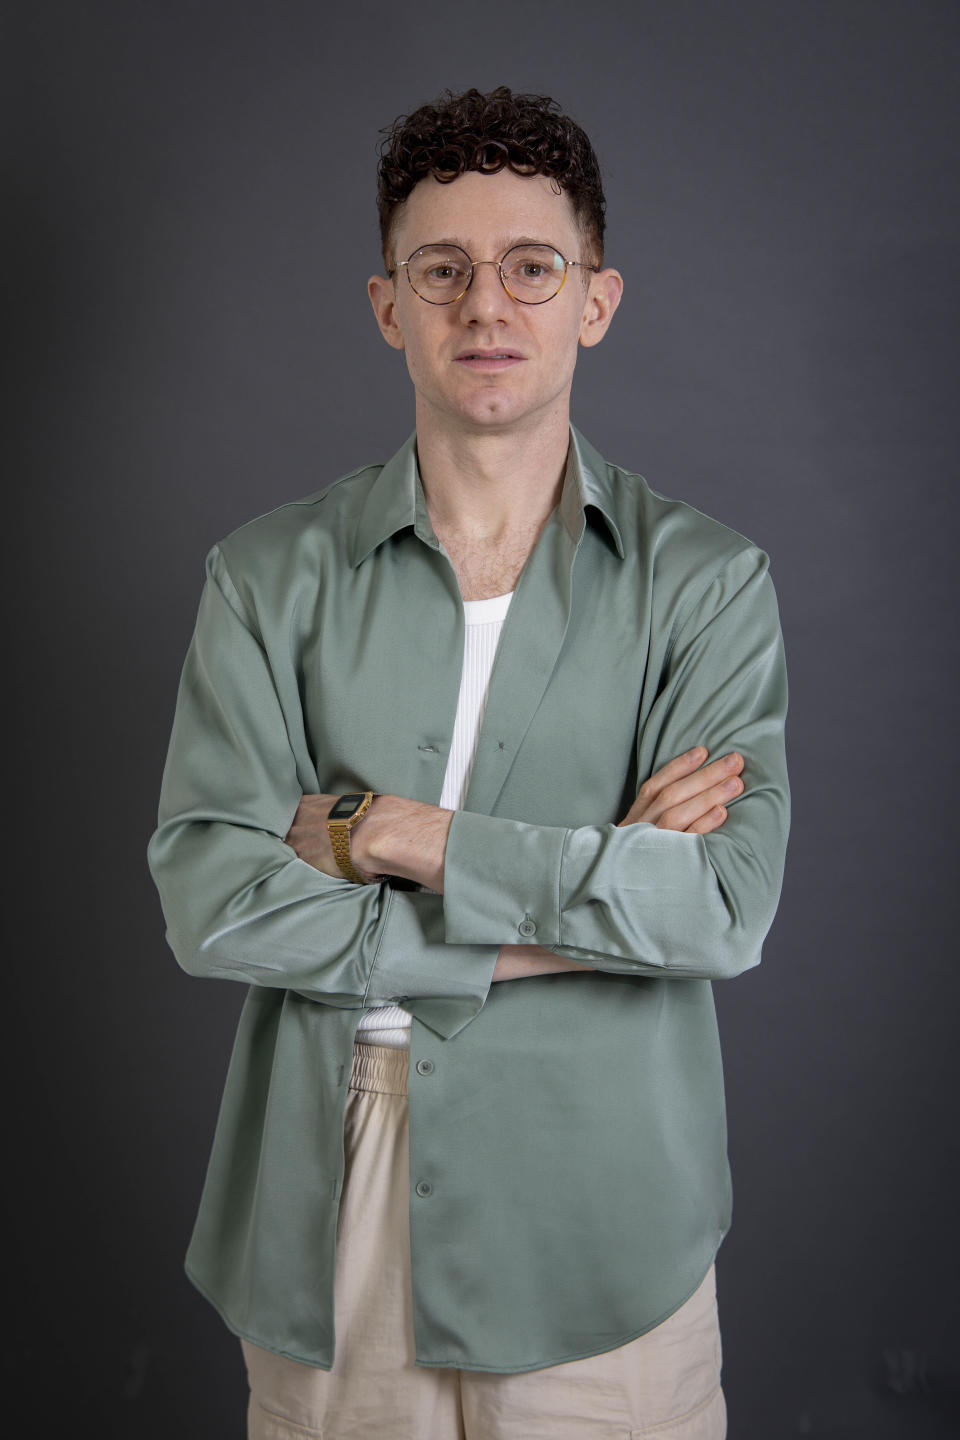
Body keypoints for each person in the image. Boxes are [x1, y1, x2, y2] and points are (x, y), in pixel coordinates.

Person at [147, 86, 790, 1439]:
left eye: (529, 268)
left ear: (594, 301)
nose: (484, 307)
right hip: (334, 1186)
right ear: (390, 305)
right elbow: (212, 893)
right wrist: (577, 907)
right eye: (442, 271)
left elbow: (724, 909)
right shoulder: (265, 579)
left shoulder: (708, 587)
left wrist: (402, 834)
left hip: (605, 1203)